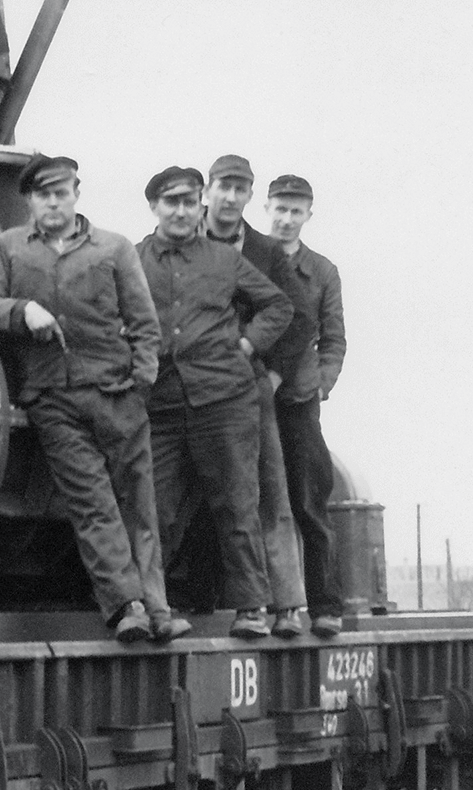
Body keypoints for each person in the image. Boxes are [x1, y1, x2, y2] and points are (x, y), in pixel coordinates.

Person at [0, 155, 188, 643]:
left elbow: (144, 323)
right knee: (92, 504)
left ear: (75, 194)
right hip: (53, 398)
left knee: (140, 503)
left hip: (117, 394)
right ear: (30, 200)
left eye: (62, 192)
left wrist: (140, 386)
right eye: (44, 194)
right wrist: (21, 309)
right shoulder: (10, 248)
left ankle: (158, 607)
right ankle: (126, 607)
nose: (54, 201)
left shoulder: (112, 249)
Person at [136, 166, 294, 639]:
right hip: (160, 403)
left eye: (189, 201)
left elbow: (278, 306)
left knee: (237, 504)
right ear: (154, 208)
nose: (181, 211)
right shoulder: (133, 259)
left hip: (225, 399)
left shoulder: (223, 260)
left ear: (200, 202)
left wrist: (246, 346)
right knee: (154, 509)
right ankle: (152, 607)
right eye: (171, 202)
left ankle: (251, 609)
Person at [202, 154, 312, 638]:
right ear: (208, 190)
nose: (230, 197)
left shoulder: (266, 251)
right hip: (194, 388)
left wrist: (270, 374)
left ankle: (287, 605)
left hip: (249, 385)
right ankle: (221, 601)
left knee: (271, 494)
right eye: (223, 187)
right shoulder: (182, 243)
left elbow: (300, 316)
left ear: (250, 197)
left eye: (240, 189)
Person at [265, 174, 347, 638]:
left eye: (296, 211)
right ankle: (268, 606)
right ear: (267, 209)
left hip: (298, 401)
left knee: (308, 500)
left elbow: (334, 338)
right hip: (247, 398)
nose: (286, 218)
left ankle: (324, 605)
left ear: (308, 216)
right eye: (280, 208)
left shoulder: (322, 271)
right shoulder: (250, 258)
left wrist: (322, 383)